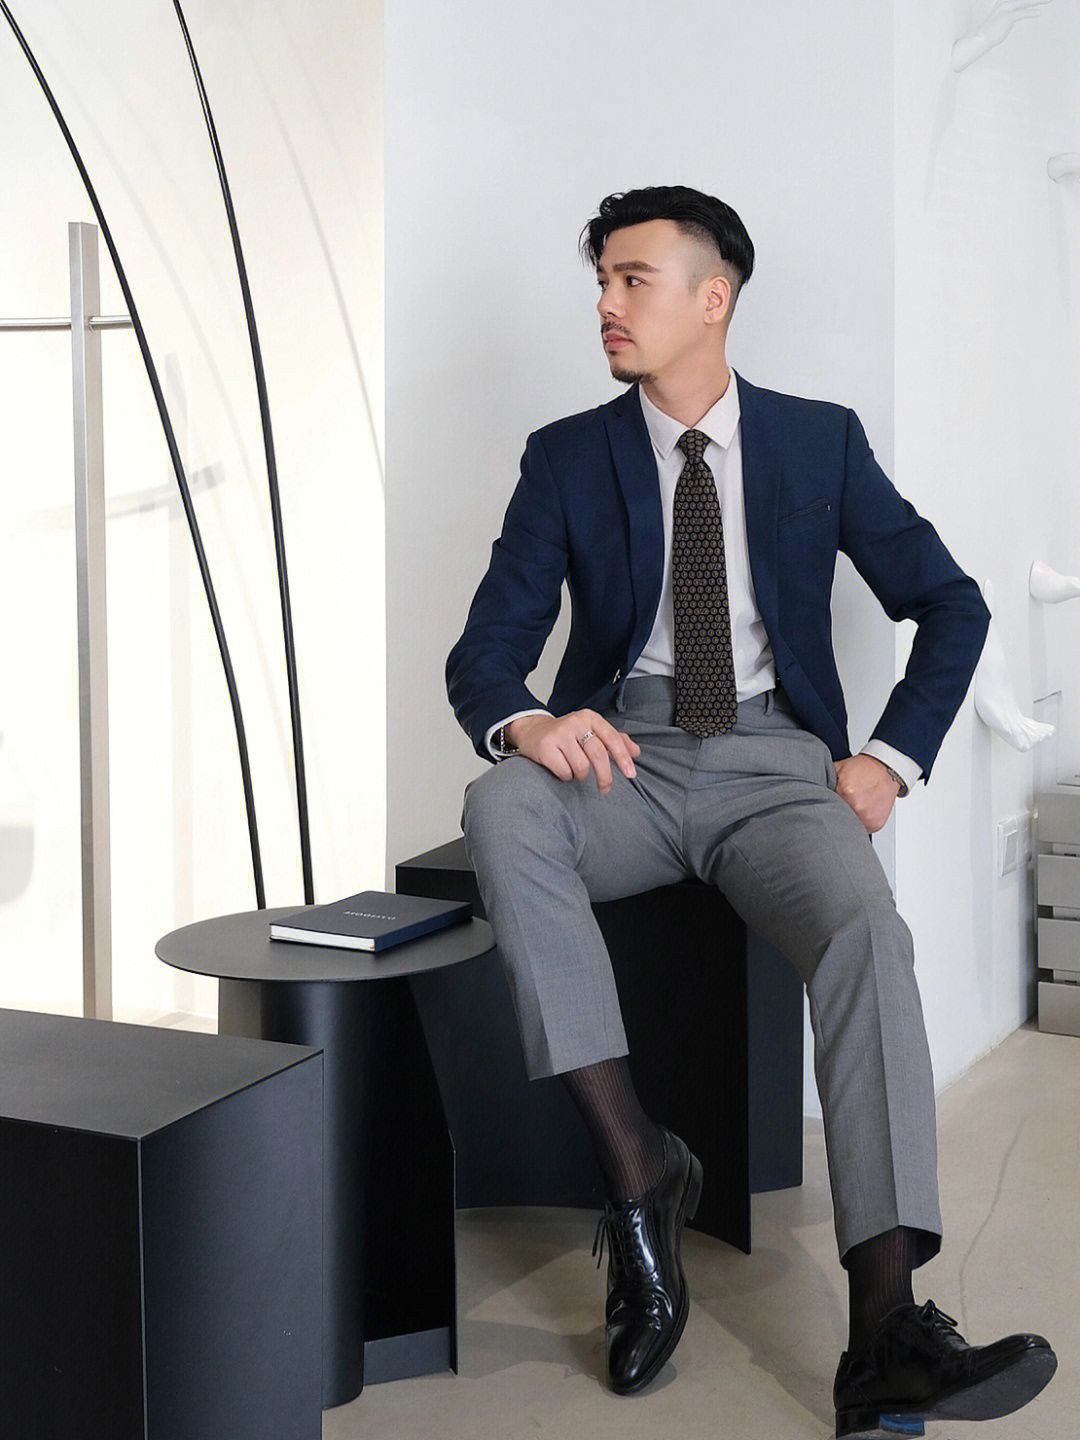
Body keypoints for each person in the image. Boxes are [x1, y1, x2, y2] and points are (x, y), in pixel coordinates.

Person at [444, 185, 1057, 1437]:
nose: (607, 305)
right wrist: (532, 722)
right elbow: (486, 650)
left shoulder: (818, 443)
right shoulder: (567, 455)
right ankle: (639, 1168)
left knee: (867, 936)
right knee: (499, 804)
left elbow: (951, 603)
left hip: (779, 765)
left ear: (711, 297)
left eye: (632, 280)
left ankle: (886, 1328)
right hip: (626, 756)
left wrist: (891, 758)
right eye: (601, 282)